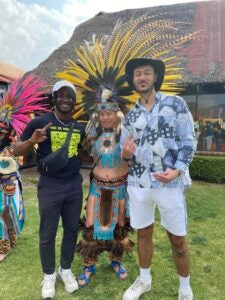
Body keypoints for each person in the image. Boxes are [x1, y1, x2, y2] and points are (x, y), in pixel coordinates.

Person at [120, 58, 197, 300]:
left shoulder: (175, 104)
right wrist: (125, 153)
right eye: (137, 74)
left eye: (146, 73)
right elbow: (125, 150)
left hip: (170, 183)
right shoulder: (130, 117)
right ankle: (144, 279)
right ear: (133, 80)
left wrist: (177, 170)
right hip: (138, 184)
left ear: (155, 77)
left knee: (177, 237)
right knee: (143, 233)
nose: (141, 77)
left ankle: (184, 288)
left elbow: (188, 141)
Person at [14, 80, 85, 299]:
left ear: (74, 101)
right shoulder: (42, 122)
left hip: (73, 184)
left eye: (69, 96)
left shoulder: (79, 127)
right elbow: (17, 148)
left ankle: (65, 269)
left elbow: (81, 153)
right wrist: (33, 140)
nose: (65, 100)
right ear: (54, 98)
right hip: (50, 186)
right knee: (48, 232)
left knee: (72, 230)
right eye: (61, 95)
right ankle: (48, 275)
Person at [76, 91, 133, 287]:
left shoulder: (127, 133)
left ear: (117, 114)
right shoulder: (92, 134)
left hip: (120, 188)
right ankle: (89, 265)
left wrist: (126, 156)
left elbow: (133, 158)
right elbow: (88, 156)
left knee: (119, 227)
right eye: (102, 114)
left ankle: (116, 261)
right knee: (91, 226)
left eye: (110, 113)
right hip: (97, 188)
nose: (106, 117)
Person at [0, 123, 25, 262]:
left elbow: (9, 167)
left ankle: (3, 246)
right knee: (4, 213)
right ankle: (11, 237)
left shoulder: (11, 148)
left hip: (8, 184)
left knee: (4, 212)